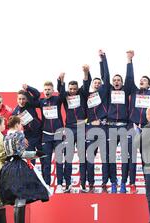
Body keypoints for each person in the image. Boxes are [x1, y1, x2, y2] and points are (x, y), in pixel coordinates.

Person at [0, 116, 50, 223]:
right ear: (16, 124)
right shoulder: (19, 135)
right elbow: (22, 153)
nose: (21, 126)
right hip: (19, 167)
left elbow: (8, 153)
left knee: (17, 195)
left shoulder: (6, 136)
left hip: (8, 167)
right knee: (21, 195)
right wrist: (37, 153)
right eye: (20, 124)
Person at [127, 53, 150, 194]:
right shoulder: (134, 92)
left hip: (147, 129)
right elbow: (129, 78)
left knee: (146, 158)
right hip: (133, 127)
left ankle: (148, 184)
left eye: (144, 80)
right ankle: (132, 184)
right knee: (132, 157)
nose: (141, 81)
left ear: (148, 84)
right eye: (140, 80)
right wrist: (130, 61)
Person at [26, 80, 65, 192]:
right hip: (46, 136)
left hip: (58, 135)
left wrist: (61, 82)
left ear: (53, 91)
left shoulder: (57, 100)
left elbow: (62, 94)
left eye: (49, 89)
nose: (47, 91)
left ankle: (59, 185)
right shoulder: (41, 102)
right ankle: (47, 185)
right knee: (46, 162)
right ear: (43, 91)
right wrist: (28, 88)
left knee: (59, 161)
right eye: (45, 90)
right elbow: (31, 101)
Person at [104, 50, 134, 193]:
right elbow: (106, 75)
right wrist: (103, 58)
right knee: (110, 157)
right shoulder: (108, 90)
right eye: (114, 80)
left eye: (118, 80)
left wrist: (129, 61)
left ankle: (123, 183)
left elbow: (129, 78)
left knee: (125, 157)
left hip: (124, 127)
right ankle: (114, 182)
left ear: (122, 83)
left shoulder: (126, 90)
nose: (116, 82)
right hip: (110, 127)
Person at [57, 65, 91, 193]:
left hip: (82, 127)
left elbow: (86, 85)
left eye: (74, 89)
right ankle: (68, 184)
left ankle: (83, 184)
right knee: (68, 157)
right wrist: (61, 80)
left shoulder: (82, 94)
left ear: (78, 89)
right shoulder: (65, 96)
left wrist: (86, 73)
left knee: (83, 157)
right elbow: (60, 91)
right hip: (70, 128)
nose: (72, 91)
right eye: (70, 89)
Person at [85, 50, 111, 193]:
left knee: (105, 158)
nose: (96, 83)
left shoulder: (103, 92)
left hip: (103, 128)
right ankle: (91, 184)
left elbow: (106, 75)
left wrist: (103, 59)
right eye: (94, 82)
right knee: (90, 158)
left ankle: (104, 184)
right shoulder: (86, 95)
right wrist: (89, 123)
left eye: (98, 82)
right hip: (90, 129)